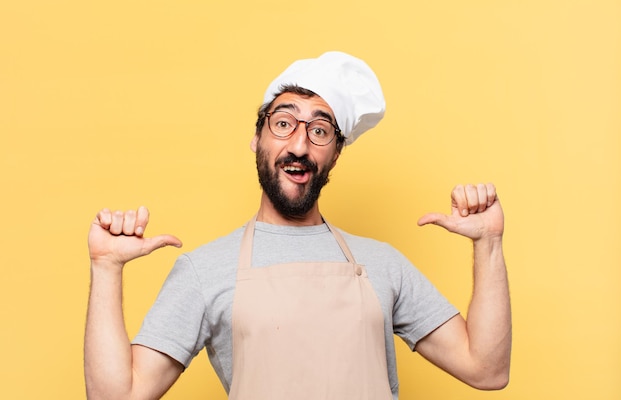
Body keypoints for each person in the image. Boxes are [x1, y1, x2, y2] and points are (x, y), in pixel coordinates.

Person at [84, 51, 511, 400]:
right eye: (284, 123)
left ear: (337, 153)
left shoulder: (383, 264)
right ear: (258, 138)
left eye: (320, 131)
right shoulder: (204, 270)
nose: (299, 146)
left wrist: (489, 243)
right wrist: (106, 268)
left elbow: (487, 369)